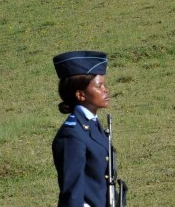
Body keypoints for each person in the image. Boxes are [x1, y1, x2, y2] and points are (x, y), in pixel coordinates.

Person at [51, 50, 124, 207]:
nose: (106, 90)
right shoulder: (71, 134)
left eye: (104, 84)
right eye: (99, 86)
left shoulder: (93, 124)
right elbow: (72, 192)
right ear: (81, 95)